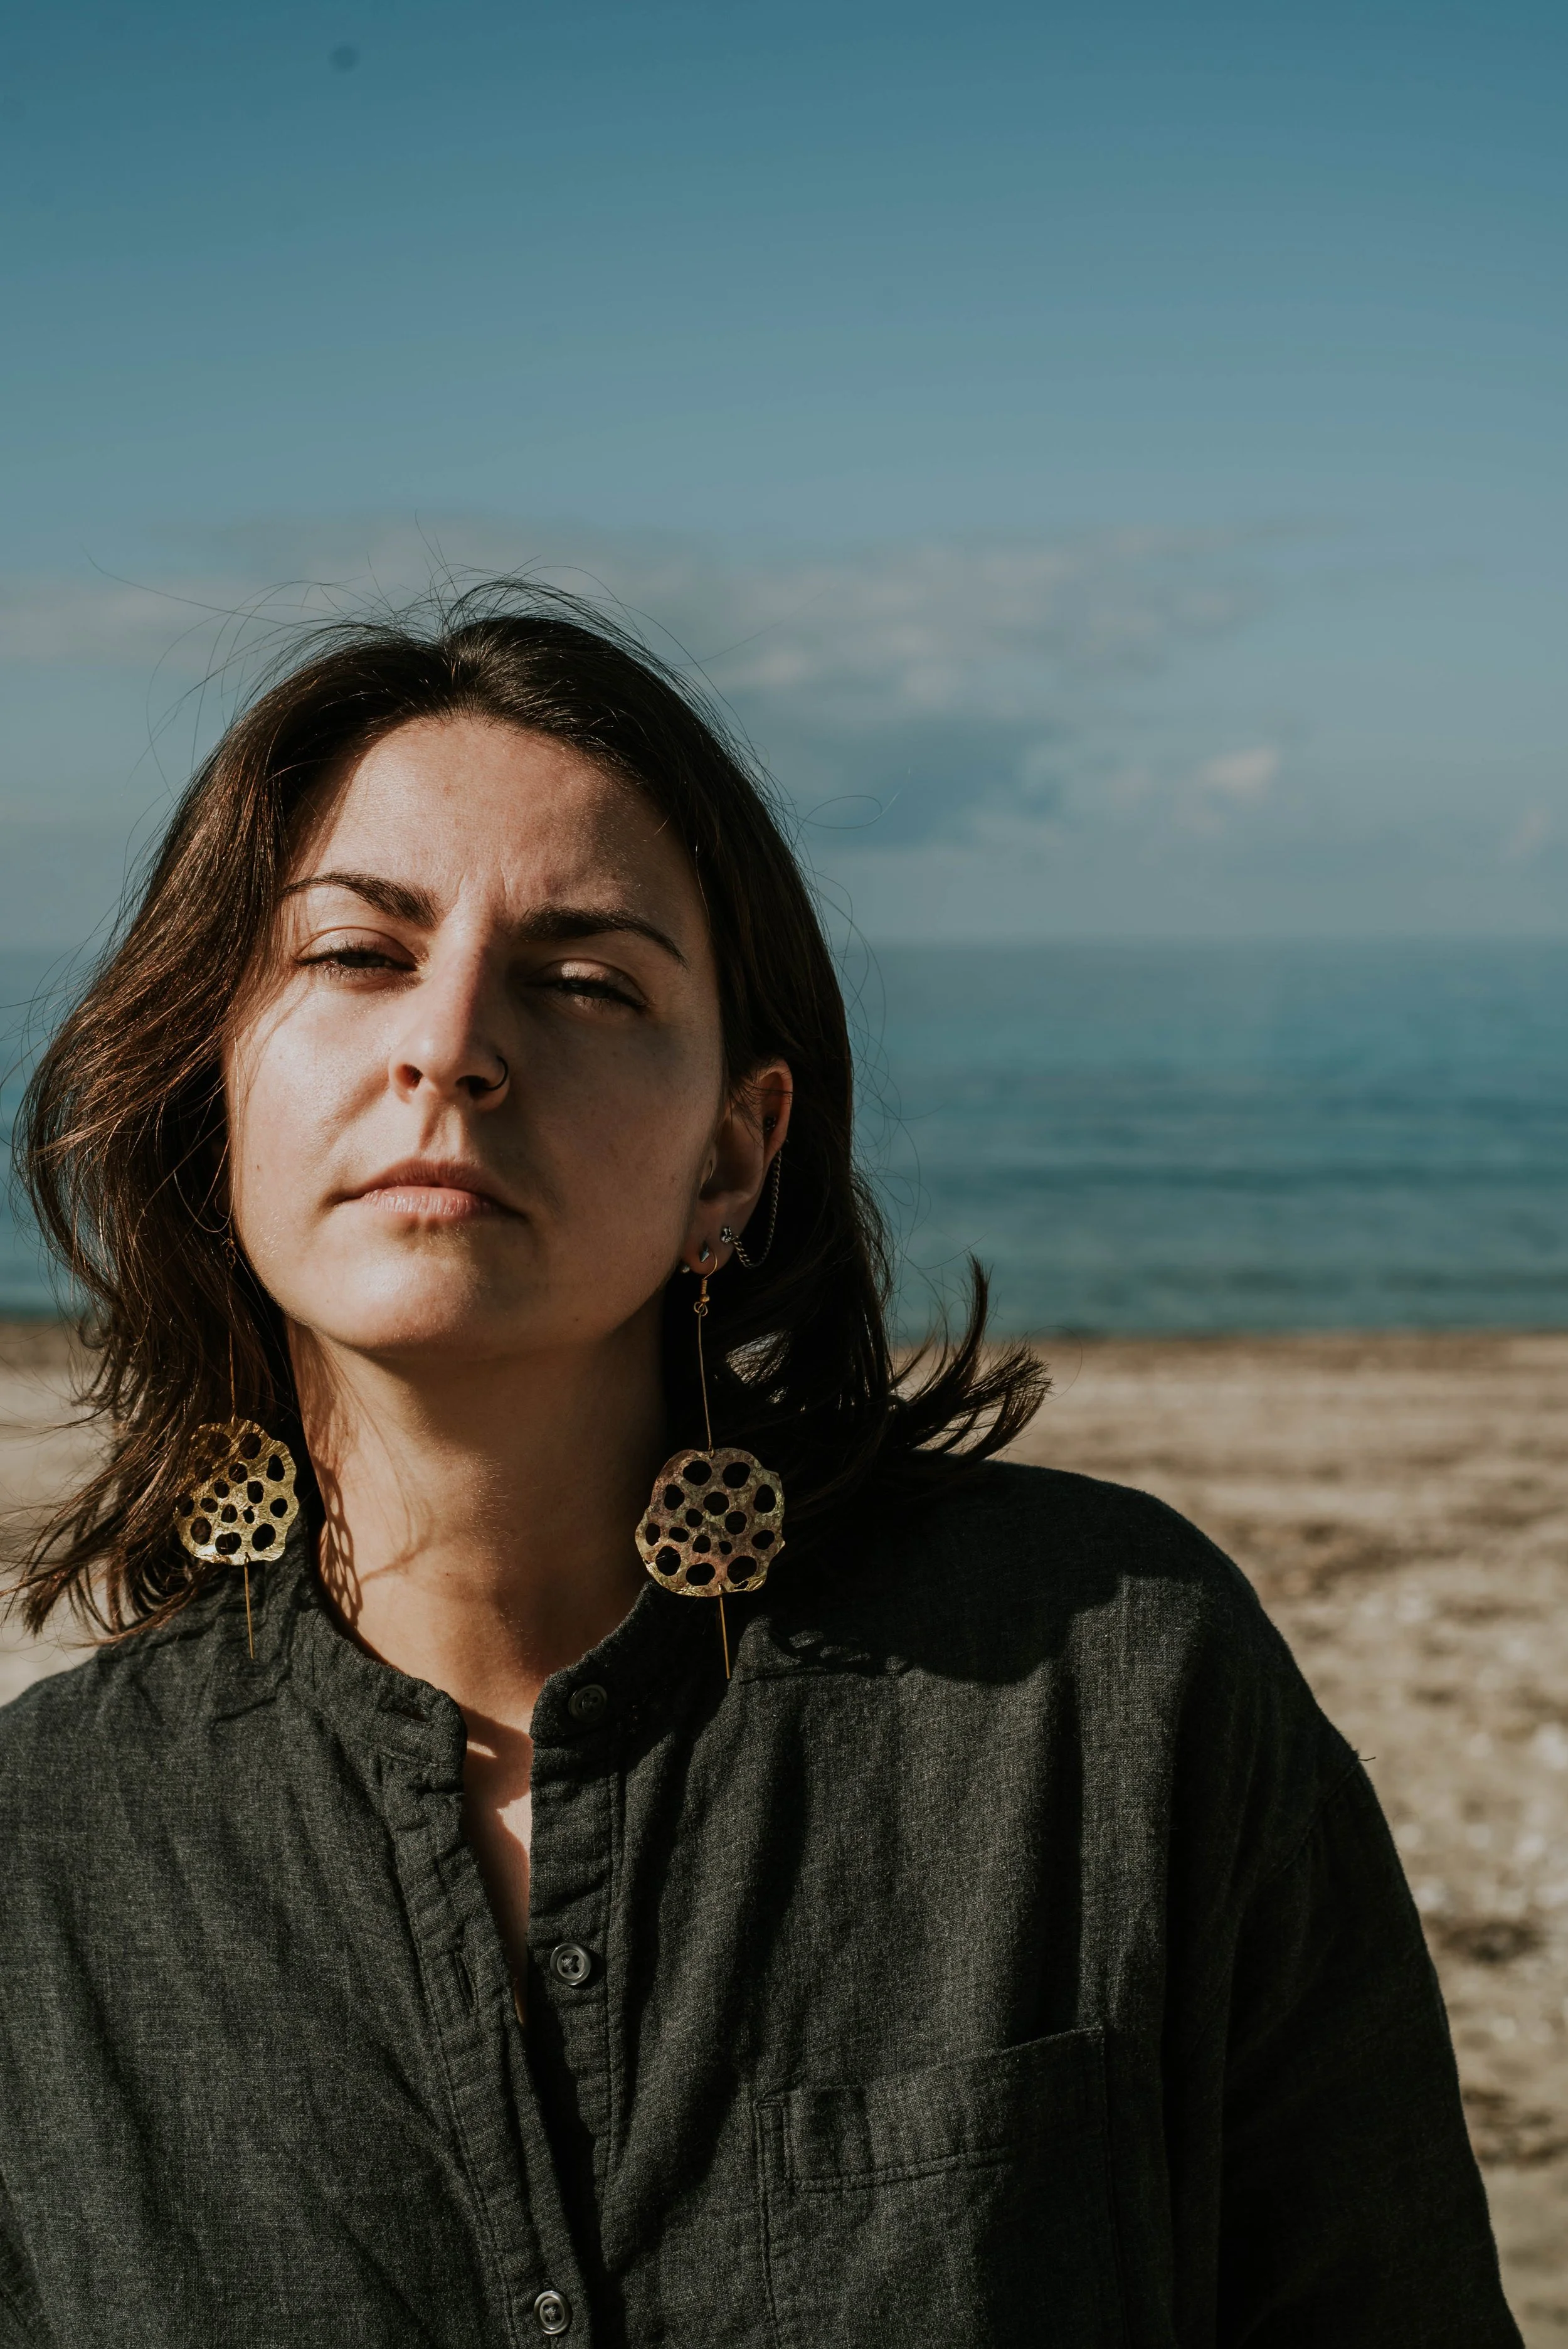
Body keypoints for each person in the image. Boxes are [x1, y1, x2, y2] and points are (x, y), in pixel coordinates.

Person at [0, 588, 1519, 2349]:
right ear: (212, 1085)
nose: (452, 1046)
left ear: (734, 1153)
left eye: (586, 982)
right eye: (356, 955)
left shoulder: (1102, 1690)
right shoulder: (45, 1857)